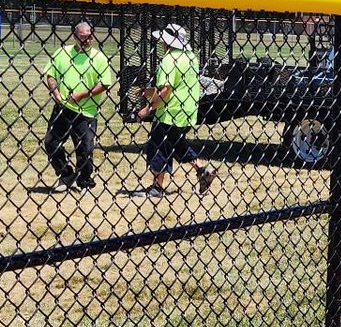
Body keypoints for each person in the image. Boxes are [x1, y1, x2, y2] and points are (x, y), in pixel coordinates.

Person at [126, 22, 215, 198]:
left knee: (158, 147)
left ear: (168, 42)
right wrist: (146, 91)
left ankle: (157, 187)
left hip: (169, 113)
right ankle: (202, 170)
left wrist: (147, 109)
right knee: (176, 144)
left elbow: (165, 91)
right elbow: (177, 86)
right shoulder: (190, 57)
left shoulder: (169, 59)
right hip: (187, 111)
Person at [42, 20, 112, 191]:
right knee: (51, 143)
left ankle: (85, 182)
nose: (86, 40)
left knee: (85, 149)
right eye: (82, 37)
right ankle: (65, 173)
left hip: (87, 111)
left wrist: (84, 94)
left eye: (89, 37)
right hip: (63, 108)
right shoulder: (62, 53)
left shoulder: (99, 58)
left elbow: (105, 83)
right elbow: (50, 74)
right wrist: (55, 92)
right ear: (75, 37)